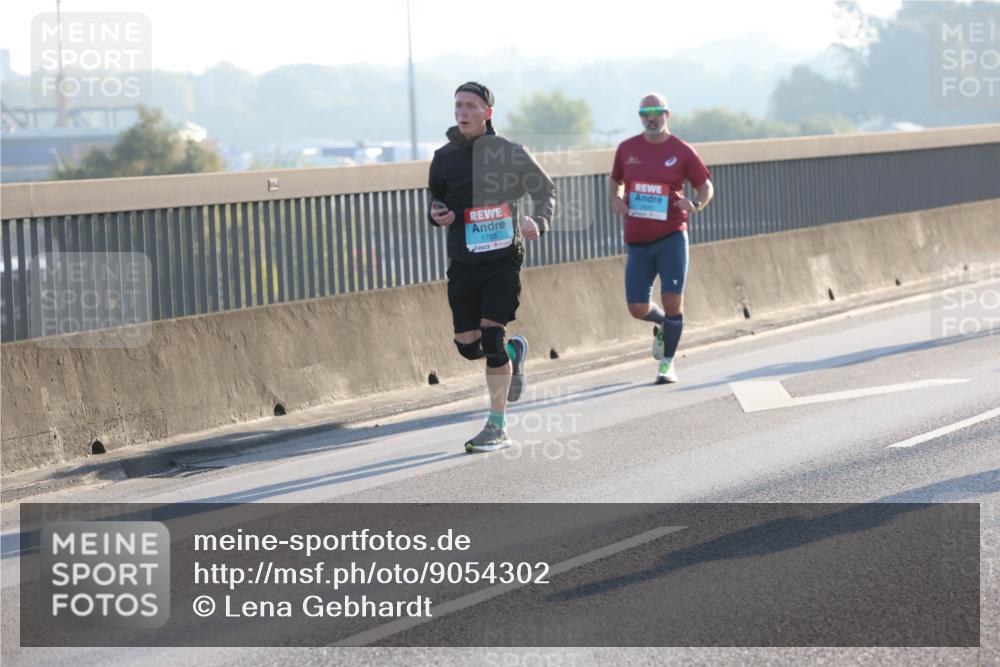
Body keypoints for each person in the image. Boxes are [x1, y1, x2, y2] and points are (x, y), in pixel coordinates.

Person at [428, 81, 556, 453]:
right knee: (468, 347)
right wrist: (438, 214)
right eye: (458, 106)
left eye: (470, 106)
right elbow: (435, 200)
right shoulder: (443, 157)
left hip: (503, 258)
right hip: (463, 261)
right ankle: (514, 354)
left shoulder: (510, 153)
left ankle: (496, 426)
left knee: (492, 339)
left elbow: (546, 191)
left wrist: (540, 222)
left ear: (488, 112)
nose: (462, 112)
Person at [609, 92, 714, 384]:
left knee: (672, 300)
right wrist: (617, 200)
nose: (650, 118)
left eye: (656, 111)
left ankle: (667, 363)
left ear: (666, 114)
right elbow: (615, 180)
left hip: (671, 235)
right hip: (638, 240)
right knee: (636, 307)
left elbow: (705, 187)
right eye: (645, 113)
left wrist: (695, 204)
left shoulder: (682, 150)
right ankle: (662, 326)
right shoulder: (626, 148)